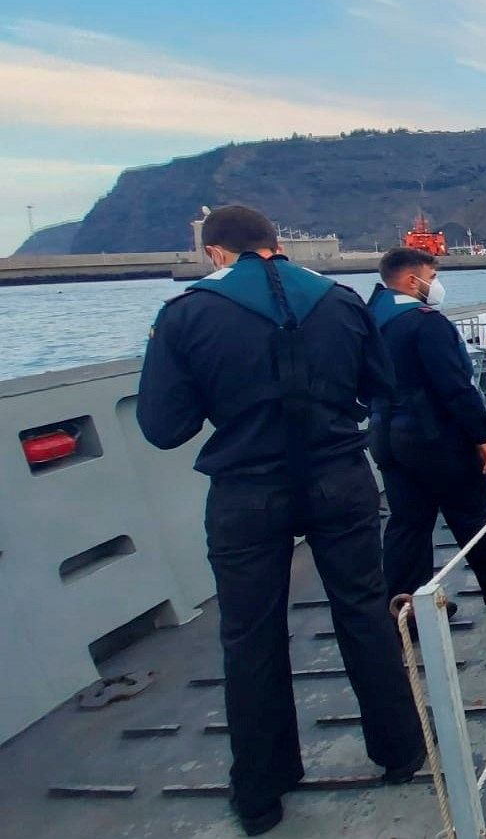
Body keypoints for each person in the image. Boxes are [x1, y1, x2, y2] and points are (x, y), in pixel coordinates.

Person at [136, 205, 424, 835]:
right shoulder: (342, 301)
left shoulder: (186, 314)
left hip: (247, 489)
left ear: (215, 253)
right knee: (361, 609)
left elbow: (164, 427)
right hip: (339, 475)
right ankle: (401, 750)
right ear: (277, 245)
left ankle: (264, 788)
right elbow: (380, 382)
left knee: (251, 636)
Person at [366, 247, 486, 614]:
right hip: (433, 436)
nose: (434, 286)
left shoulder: (367, 319)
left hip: (385, 433)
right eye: (431, 278)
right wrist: (482, 435)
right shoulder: (424, 321)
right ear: (410, 279)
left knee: (407, 522)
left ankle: (406, 607)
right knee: (469, 511)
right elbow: (454, 385)